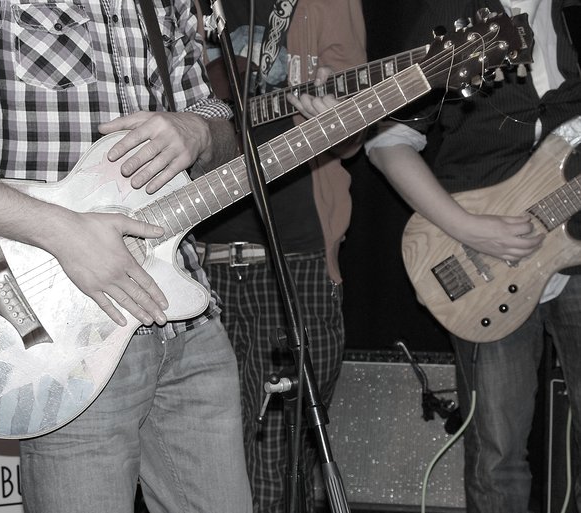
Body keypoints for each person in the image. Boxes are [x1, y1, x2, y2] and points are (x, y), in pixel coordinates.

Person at [0, 0, 254, 511]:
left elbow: (217, 126)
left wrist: (199, 132)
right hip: (68, 334)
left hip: (187, 325)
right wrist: (65, 233)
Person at [362, 0, 581, 511]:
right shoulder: (451, 14)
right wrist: (468, 228)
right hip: (479, 257)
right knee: (497, 455)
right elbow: (388, 140)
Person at [193, 0, 365, 510]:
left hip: (298, 259)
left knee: (283, 472)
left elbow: (352, 139)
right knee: (204, 462)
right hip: (194, 260)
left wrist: (339, 107)